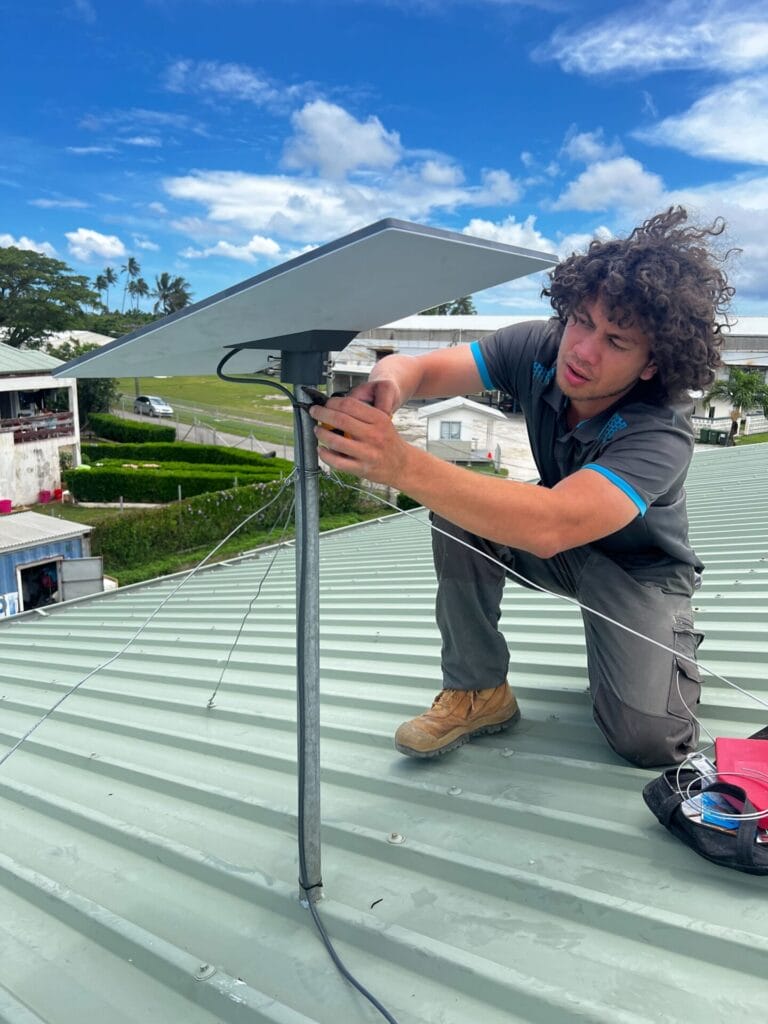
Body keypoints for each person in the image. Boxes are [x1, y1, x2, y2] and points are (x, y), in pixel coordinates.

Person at [309, 207, 735, 768]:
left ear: (653, 363)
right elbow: (420, 369)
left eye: (616, 340)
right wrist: (386, 388)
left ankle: (663, 644)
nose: (582, 350)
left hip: (638, 575)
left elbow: (554, 524)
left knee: (648, 741)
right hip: (560, 548)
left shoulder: (661, 430)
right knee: (458, 511)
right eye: (581, 320)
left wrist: (399, 464)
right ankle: (477, 689)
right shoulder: (539, 348)